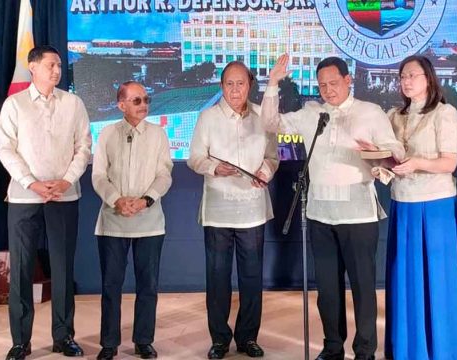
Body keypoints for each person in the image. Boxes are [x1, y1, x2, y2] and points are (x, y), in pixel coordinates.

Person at [263, 54, 404, 360]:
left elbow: (396, 149)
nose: (328, 89)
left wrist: (377, 153)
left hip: (359, 214)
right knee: (327, 289)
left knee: (363, 287)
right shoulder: (312, 113)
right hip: (320, 213)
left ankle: (365, 350)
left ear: (347, 80)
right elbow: (270, 122)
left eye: (333, 83)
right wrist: (273, 82)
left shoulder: (370, 112)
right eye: (322, 84)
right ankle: (332, 347)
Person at [377, 55, 457, 360]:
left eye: (412, 76)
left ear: (429, 78)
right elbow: (392, 161)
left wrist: (417, 163)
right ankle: (409, 348)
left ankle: (443, 349)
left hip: (435, 205)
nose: (406, 81)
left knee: (437, 278)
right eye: (403, 76)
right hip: (402, 203)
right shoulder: (395, 115)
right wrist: (376, 161)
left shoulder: (444, 114)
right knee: (406, 278)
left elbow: (449, 162)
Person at [0, 45, 91, 360]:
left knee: (63, 268)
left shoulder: (74, 104)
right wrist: (32, 183)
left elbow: (84, 147)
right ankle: (20, 342)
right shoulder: (15, 105)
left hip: (64, 197)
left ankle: (64, 337)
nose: (56, 70)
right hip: (25, 198)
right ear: (32, 67)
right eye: (51, 65)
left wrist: (65, 181)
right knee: (22, 269)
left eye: (59, 66)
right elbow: (6, 150)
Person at [187, 61, 279, 359]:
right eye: (229, 83)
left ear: (249, 85)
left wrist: (265, 171)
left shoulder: (262, 118)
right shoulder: (207, 117)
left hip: (252, 209)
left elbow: (272, 156)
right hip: (218, 209)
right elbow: (195, 159)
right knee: (218, 276)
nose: (235, 89)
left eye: (241, 83)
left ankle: (248, 338)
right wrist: (215, 167)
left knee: (252, 277)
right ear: (221, 86)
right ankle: (219, 339)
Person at [91, 81, 173, 360]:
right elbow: (99, 176)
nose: (144, 105)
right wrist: (117, 199)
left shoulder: (159, 134)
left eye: (146, 100)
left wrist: (145, 200)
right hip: (113, 221)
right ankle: (109, 343)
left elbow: (164, 175)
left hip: (149, 221)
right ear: (121, 104)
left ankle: (143, 341)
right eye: (137, 100)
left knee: (148, 285)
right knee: (111, 286)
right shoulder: (107, 134)